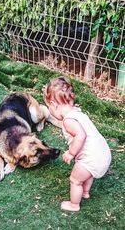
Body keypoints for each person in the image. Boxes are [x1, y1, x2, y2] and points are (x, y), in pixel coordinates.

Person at [44, 76, 111, 212]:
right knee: (88, 173)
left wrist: (71, 153)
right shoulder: (78, 113)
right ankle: (85, 192)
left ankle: (74, 204)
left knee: (75, 179)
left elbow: (81, 135)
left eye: (48, 106)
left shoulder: (69, 121)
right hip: (103, 155)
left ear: (53, 104)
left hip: (91, 159)